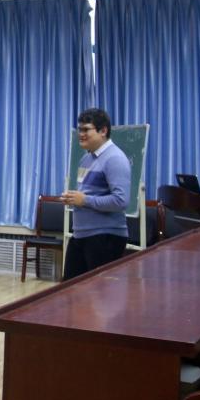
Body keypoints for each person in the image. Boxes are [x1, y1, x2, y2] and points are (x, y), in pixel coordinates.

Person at [61, 108, 130, 281]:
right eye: (79, 129)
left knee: (98, 294)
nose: (81, 134)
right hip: (81, 234)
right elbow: (87, 194)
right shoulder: (86, 158)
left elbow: (121, 201)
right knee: (70, 289)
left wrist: (84, 200)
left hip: (104, 237)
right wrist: (73, 198)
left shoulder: (115, 158)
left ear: (103, 131)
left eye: (86, 129)